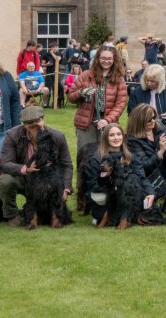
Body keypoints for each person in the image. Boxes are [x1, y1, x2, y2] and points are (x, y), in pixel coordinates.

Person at [65, 44, 127, 209]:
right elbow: (70, 95)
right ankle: (83, 199)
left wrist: (107, 120)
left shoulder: (119, 78)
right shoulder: (86, 75)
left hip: (107, 126)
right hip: (86, 124)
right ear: (97, 59)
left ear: (114, 60)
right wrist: (81, 93)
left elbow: (121, 104)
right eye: (103, 58)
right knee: (85, 162)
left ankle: (105, 197)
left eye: (109, 59)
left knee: (107, 160)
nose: (106, 61)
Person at [0, 105, 74, 225]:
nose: (35, 126)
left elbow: (66, 164)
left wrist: (66, 188)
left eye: (38, 121)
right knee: (5, 181)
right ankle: (12, 214)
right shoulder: (12, 135)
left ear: (43, 119)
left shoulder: (57, 136)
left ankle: (53, 217)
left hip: (49, 178)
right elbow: (5, 163)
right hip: (23, 177)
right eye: (30, 123)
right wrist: (25, 169)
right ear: (24, 124)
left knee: (55, 192)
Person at [126, 103, 166, 212]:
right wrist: (159, 152)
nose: (153, 121)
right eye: (149, 119)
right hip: (146, 174)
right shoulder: (131, 140)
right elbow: (144, 166)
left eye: (154, 117)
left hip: (162, 166)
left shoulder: (158, 127)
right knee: (147, 209)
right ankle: (153, 198)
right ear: (140, 121)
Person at [81, 122, 138, 225]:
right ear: (105, 138)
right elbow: (92, 185)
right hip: (103, 197)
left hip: (124, 196)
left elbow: (141, 177)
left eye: (119, 134)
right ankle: (101, 215)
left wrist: (150, 193)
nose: (116, 138)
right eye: (111, 135)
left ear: (123, 137)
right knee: (114, 218)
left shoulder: (130, 156)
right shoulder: (97, 159)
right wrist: (115, 188)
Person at [127, 64, 166, 130]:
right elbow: (131, 111)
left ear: (160, 81)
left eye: (152, 81)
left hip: (165, 129)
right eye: (147, 80)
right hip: (142, 130)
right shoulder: (136, 92)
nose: (149, 83)